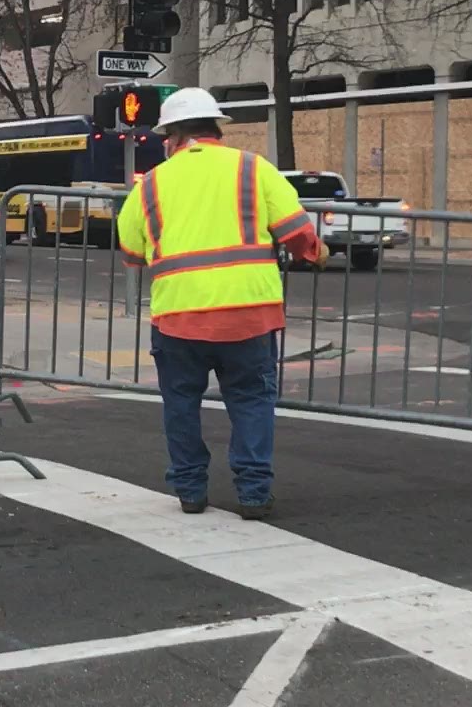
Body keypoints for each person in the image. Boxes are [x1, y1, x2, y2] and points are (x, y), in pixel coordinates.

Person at [116, 88, 329, 520]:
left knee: (181, 404)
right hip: (248, 313)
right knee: (251, 401)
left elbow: (131, 250)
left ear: (172, 137)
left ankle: (191, 492)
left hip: (179, 316)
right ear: (217, 129)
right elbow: (296, 233)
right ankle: (253, 494)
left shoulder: (152, 183)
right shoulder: (253, 169)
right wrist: (316, 254)